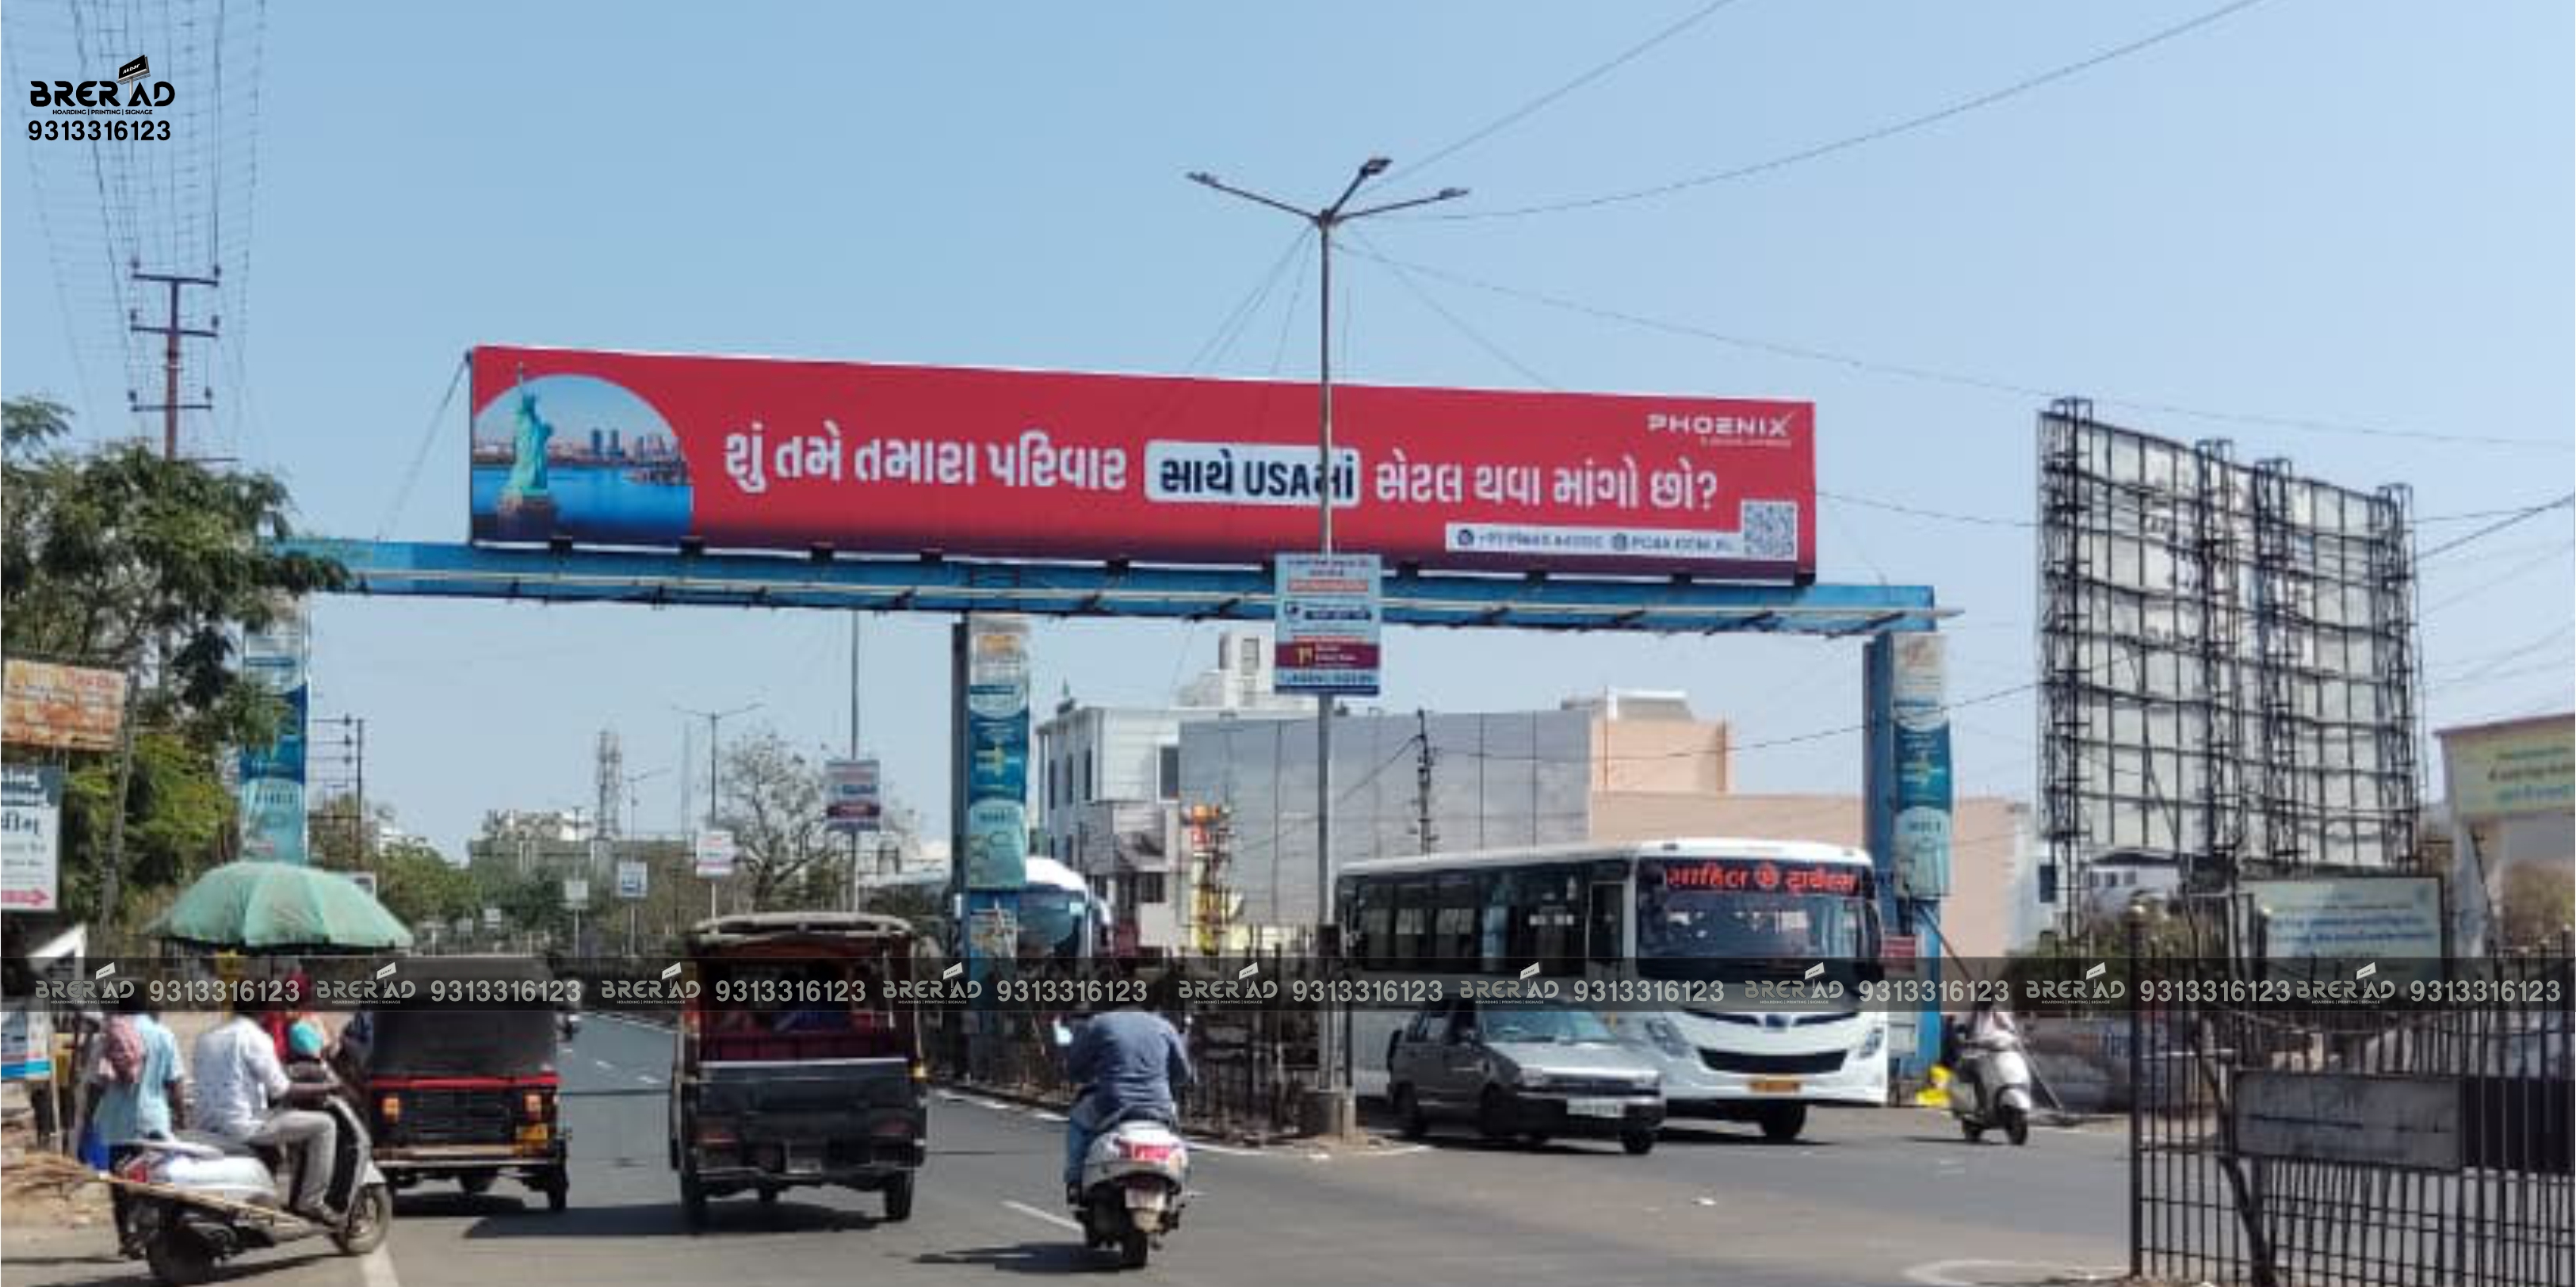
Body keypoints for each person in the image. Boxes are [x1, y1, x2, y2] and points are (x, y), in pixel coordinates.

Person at [193, 1000, 339, 1219]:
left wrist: (296, 1072)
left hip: (207, 1124)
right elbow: (281, 1090)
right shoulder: (255, 1037)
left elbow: (241, 1073)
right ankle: (311, 1203)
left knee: (274, 1146)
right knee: (325, 1125)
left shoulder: (207, 1037)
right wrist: (329, 1087)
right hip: (242, 1125)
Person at [1061, 989, 1192, 1203]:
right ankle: (1181, 1178)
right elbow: (1183, 1073)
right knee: (1175, 1133)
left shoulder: (1099, 1024)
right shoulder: (1164, 1026)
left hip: (1112, 1103)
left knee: (1078, 1122)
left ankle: (1075, 1181)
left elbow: (1075, 1067)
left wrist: (1087, 1075)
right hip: (1160, 1105)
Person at [88, 994, 185, 1258]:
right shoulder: (163, 1034)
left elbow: (96, 1085)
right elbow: (175, 1082)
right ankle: (154, 1234)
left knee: (120, 1180)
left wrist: (88, 1119)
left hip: (117, 1123)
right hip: (154, 1121)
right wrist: (181, 1117)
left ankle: (127, 1236)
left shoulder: (107, 1035)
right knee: (156, 1179)